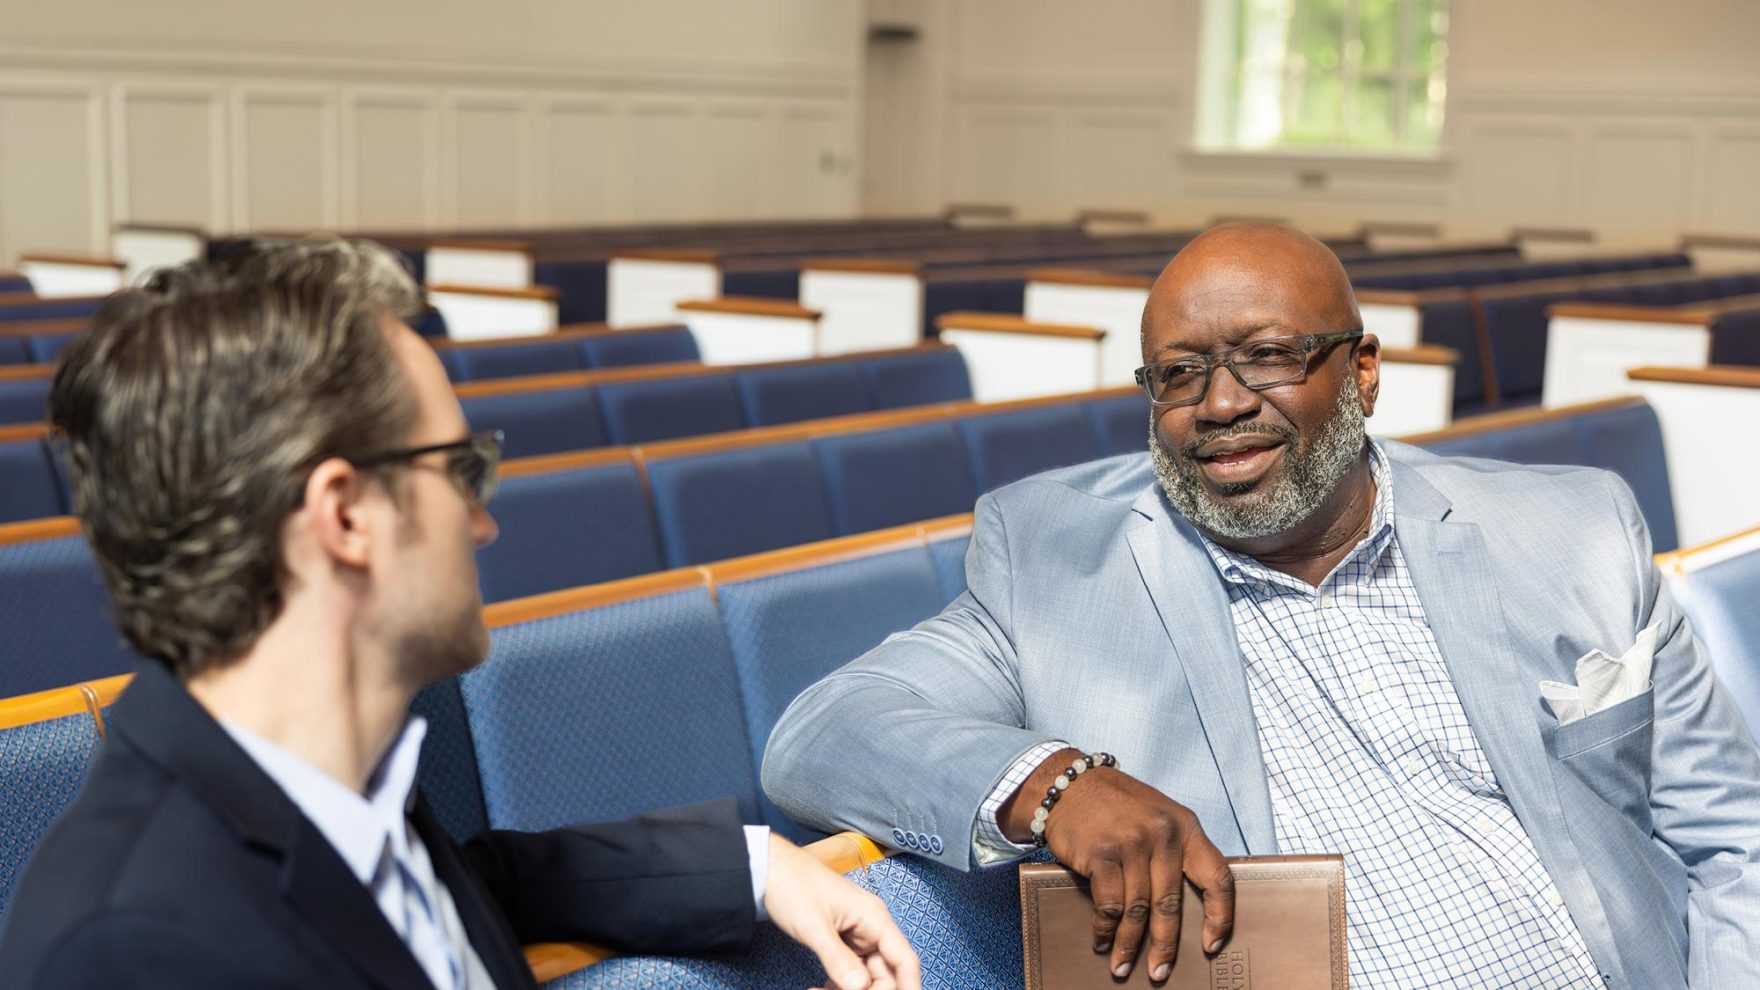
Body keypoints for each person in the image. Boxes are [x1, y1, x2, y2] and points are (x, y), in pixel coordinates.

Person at [763, 223, 1760, 989]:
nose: (1221, 403)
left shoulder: (1573, 528)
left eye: (1267, 356)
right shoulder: (1053, 559)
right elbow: (821, 731)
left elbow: (1731, 836)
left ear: (1361, 371)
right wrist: (1054, 785)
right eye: (1180, 375)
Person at [0, 240, 920, 990]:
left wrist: (757, 867)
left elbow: (478, 884)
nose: (482, 522)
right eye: (460, 472)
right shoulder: (132, 948)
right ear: (346, 516)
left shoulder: (326, 791)